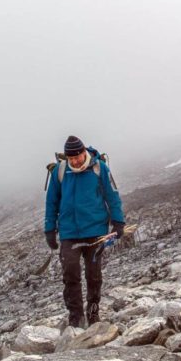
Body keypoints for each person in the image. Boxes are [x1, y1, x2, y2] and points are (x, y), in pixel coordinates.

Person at [44, 136, 125, 327]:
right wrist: (50, 229)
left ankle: (93, 312)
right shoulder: (60, 172)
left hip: (96, 231)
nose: (75, 162)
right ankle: (76, 317)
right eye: (71, 159)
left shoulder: (99, 168)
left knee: (93, 274)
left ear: (84, 153)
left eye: (77, 157)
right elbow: (51, 202)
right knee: (70, 273)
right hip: (69, 233)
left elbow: (112, 195)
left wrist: (118, 221)